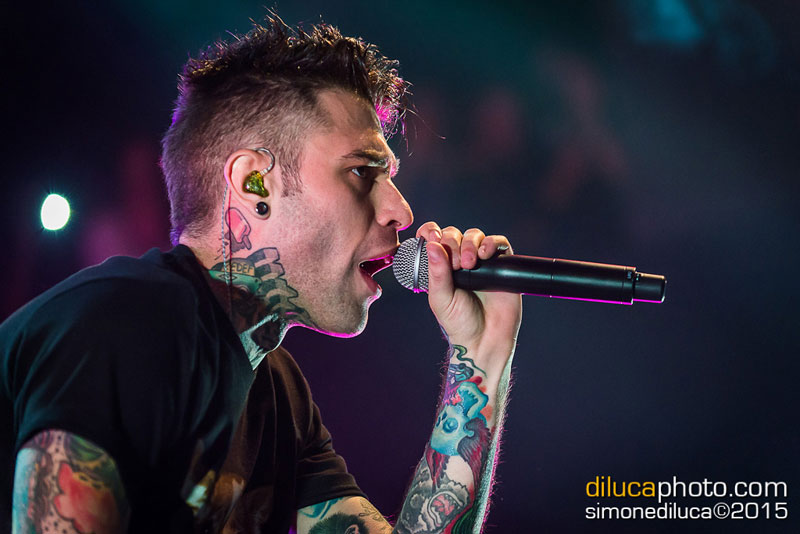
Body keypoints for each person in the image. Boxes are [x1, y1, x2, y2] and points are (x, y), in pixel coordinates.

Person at [1, 13, 522, 534]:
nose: (401, 212)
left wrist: (480, 354)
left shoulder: (277, 395)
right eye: (363, 172)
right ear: (254, 184)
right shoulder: (123, 325)